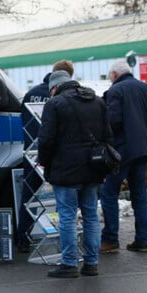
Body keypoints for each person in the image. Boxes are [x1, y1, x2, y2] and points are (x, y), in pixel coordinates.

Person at [37, 70, 111, 278]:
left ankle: (69, 264)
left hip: (66, 170)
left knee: (68, 217)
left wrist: (44, 161)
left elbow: (46, 139)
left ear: (54, 87)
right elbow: (108, 135)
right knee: (90, 216)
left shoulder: (55, 104)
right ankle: (91, 263)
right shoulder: (97, 101)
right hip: (93, 168)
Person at [100, 60, 147, 254]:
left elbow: (112, 121)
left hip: (122, 151)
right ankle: (142, 240)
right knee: (139, 196)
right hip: (142, 151)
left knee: (109, 193)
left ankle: (110, 240)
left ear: (114, 75)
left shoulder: (116, 91)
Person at [16, 59, 74, 252]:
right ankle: (62, 238)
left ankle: (22, 237)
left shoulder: (31, 94)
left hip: (32, 153)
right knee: (63, 199)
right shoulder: (68, 97)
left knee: (29, 196)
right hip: (60, 155)